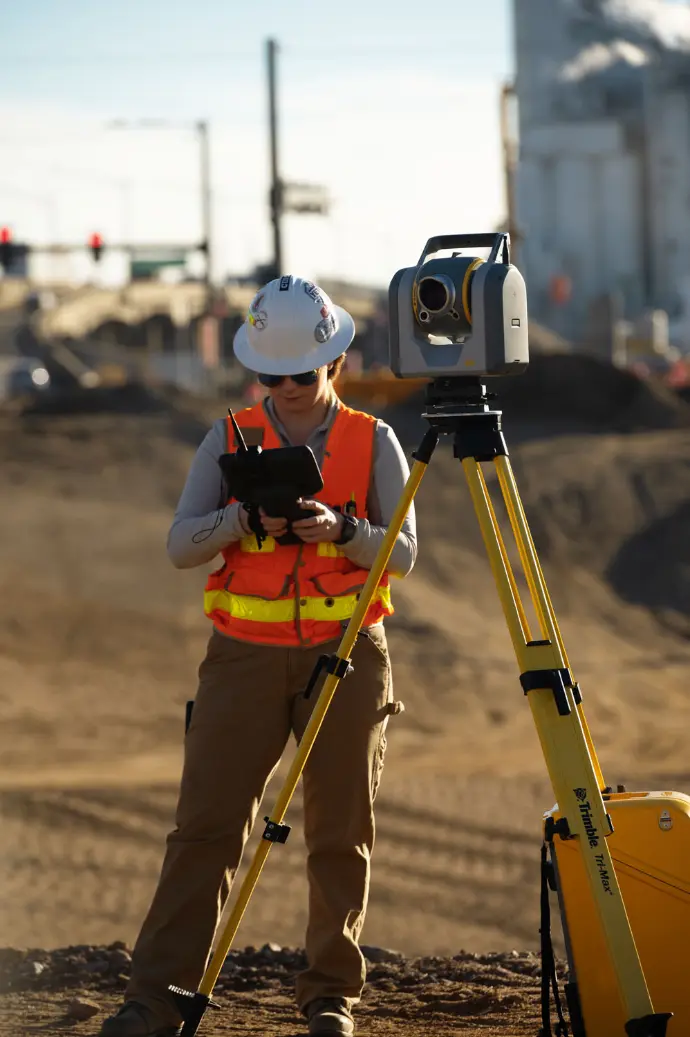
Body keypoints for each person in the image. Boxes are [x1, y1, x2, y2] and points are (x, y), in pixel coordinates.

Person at [99, 275, 417, 1037]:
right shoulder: (227, 436)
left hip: (345, 654)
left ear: (332, 362)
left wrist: (340, 531)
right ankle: (154, 997)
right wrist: (242, 517)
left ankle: (330, 995)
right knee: (205, 828)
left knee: (341, 829)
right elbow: (181, 544)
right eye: (269, 376)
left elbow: (402, 553)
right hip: (242, 660)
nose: (284, 389)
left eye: (299, 375)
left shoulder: (374, 439)